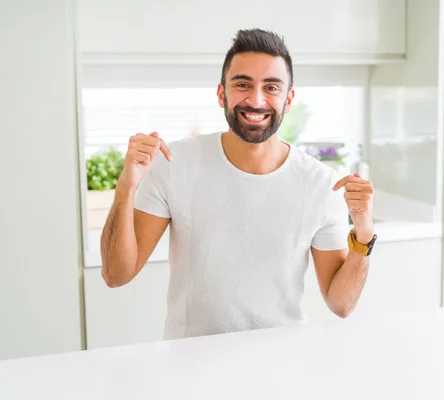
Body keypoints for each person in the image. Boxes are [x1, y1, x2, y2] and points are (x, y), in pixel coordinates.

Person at [100, 29, 378, 340]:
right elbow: (115, 274)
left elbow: (341, 304)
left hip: (280, 364)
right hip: (190, 365)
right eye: (243, 84)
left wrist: (364, 234)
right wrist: (127, 184)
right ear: (222, 94)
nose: (256, 100)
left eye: (271, 87)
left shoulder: (320, 184)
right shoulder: (175, 163)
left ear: (289, 98)